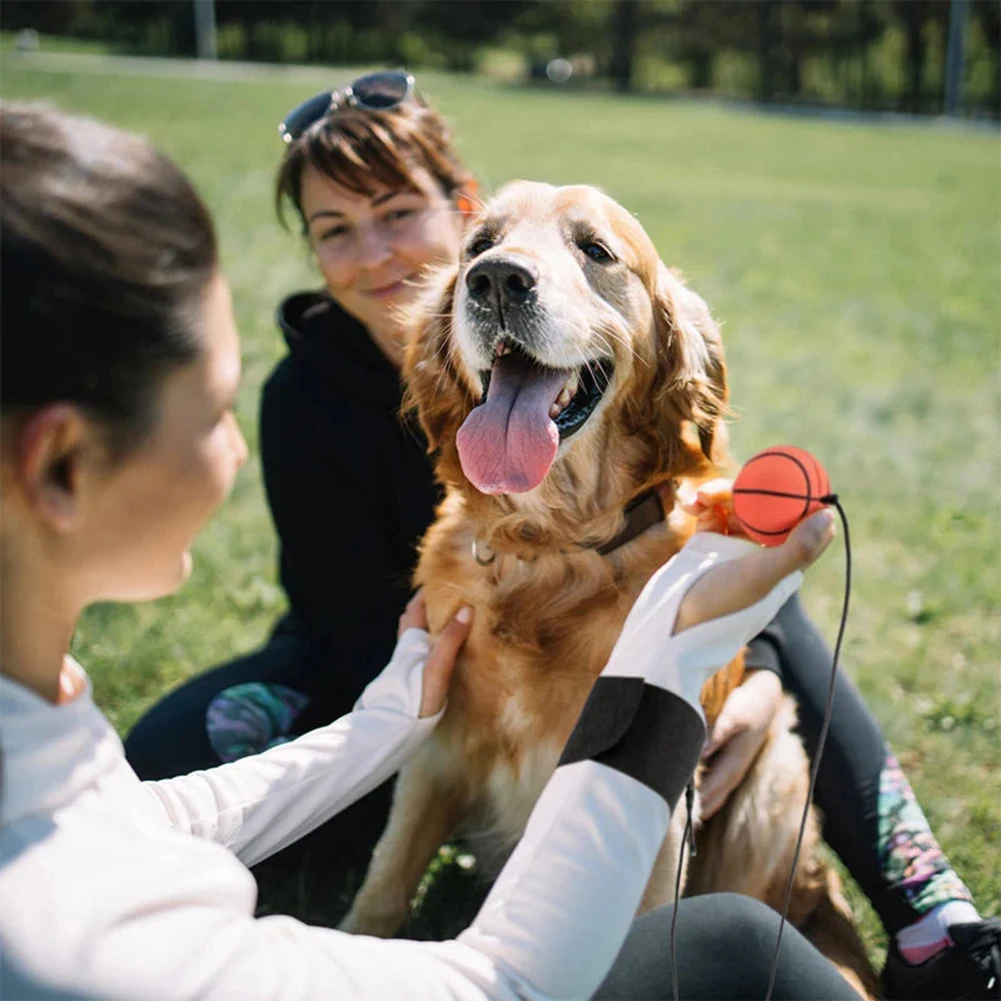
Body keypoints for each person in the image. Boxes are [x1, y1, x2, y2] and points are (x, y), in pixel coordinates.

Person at [118, 74, 999, 998]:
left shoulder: (602, 382)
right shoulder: (308, 395)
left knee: (773, 638)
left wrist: (739, 675)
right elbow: (350, 630)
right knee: (166, 755)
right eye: (335, 229)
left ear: (455, 208)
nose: (372, 253)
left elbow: (720, 575)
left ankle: (929, 910)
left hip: (548, 678)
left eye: (398, 213)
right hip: (366, 668)